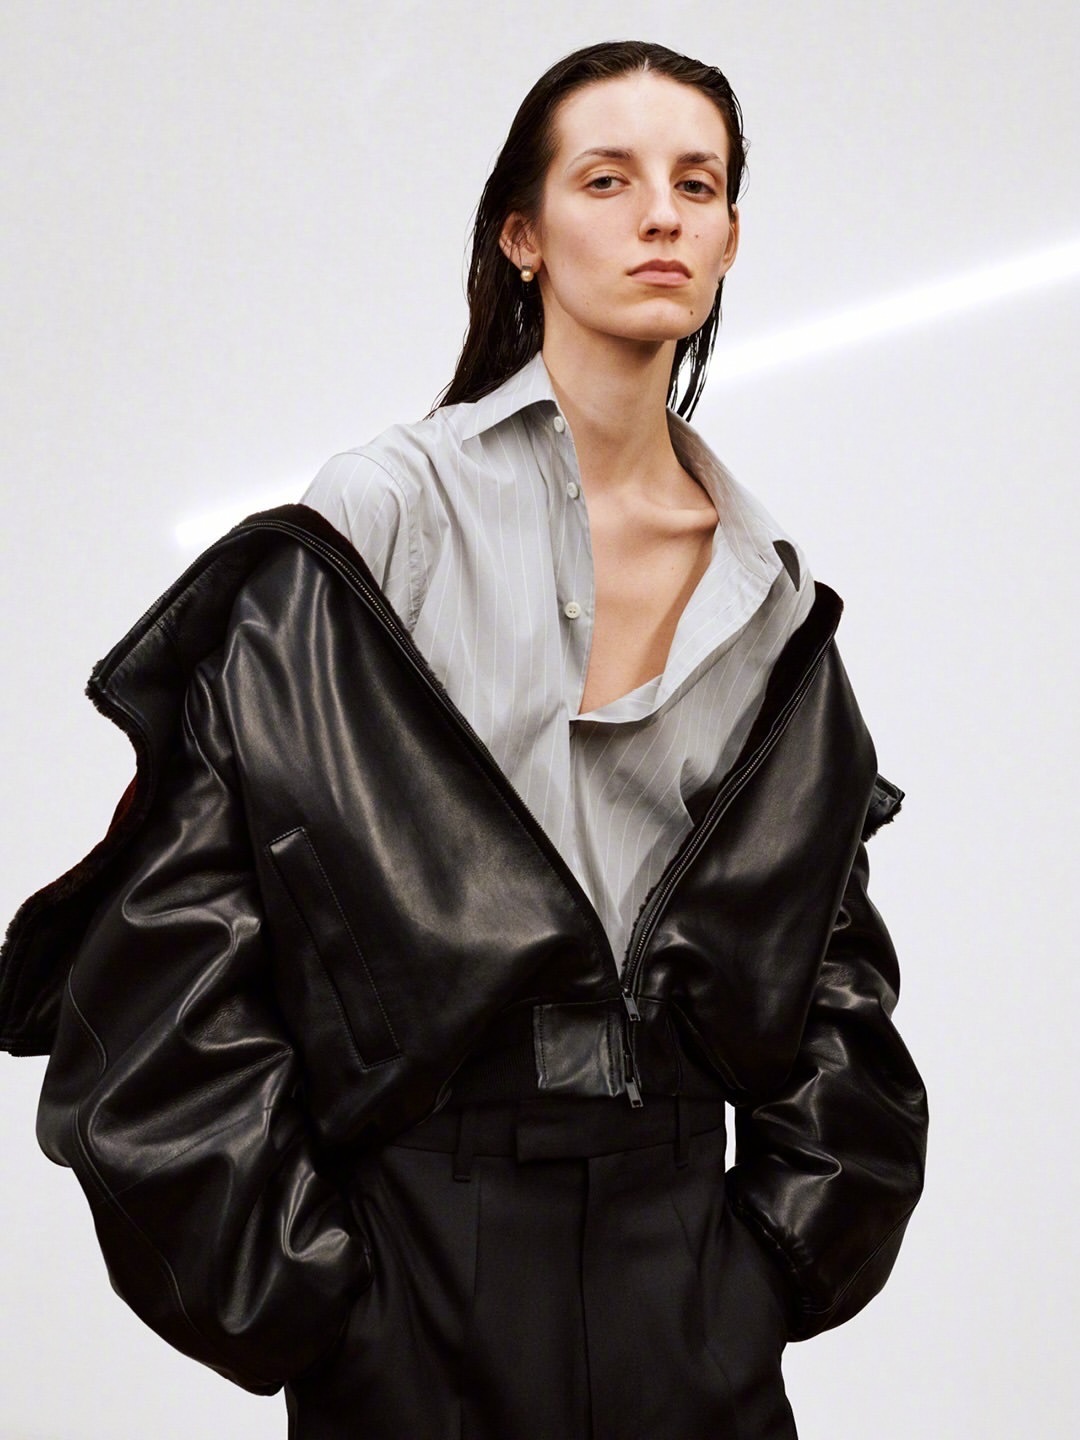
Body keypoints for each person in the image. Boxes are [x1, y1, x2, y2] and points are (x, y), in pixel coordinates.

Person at [0, 39, 927, 1440]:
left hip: (683, 1243)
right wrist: (320, 1301)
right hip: (422, 1243)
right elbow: (181, 929)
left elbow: (828, 958)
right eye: (607, 180)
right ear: (521, 235)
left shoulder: (772, 589)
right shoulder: (387, 515)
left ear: (732, 236)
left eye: (697, 184)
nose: (661, 214)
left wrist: (772, 1264)